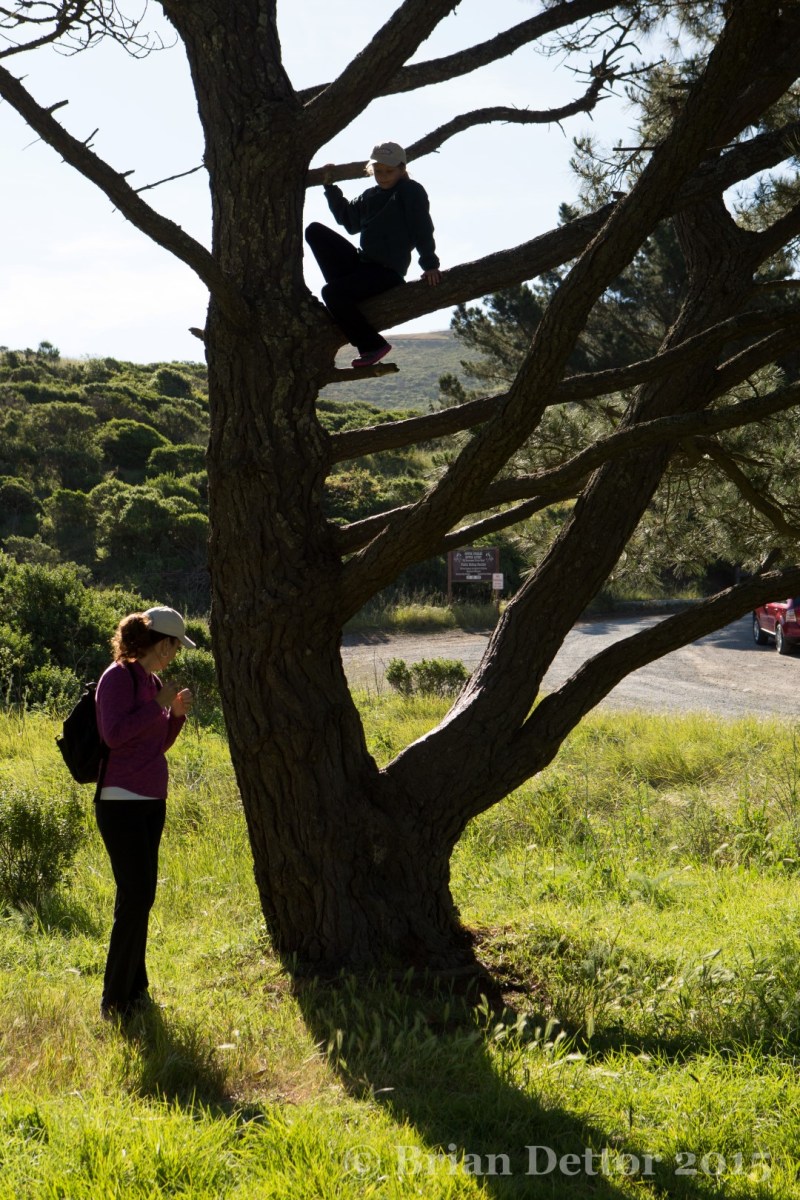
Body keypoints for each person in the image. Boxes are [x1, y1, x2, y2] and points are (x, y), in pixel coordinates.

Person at [94, 606, 195, 1021]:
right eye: (176, 646)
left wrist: (175, 717)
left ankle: (135, 992)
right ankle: (114, 1001)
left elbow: (155, 745)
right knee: (136, 897)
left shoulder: (151, 683)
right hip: (120, 801)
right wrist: (158, 705)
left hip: (151, 800)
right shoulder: (117, 677)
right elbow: (113, 735)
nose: (176, 654)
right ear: (163, 644)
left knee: (140, 897)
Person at [305, 140, 441, 368]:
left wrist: (430, 264)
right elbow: (349, 221)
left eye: (389, 171)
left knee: (331, 293)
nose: (383, 176)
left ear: (402, 169)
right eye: (378, 171)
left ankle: (372, 345)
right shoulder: (370, 195)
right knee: (314, 231)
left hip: (386, 274)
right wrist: (330, 186)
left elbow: (422, 227)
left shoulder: (410, 191)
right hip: (362, 267)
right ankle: (346, 294)